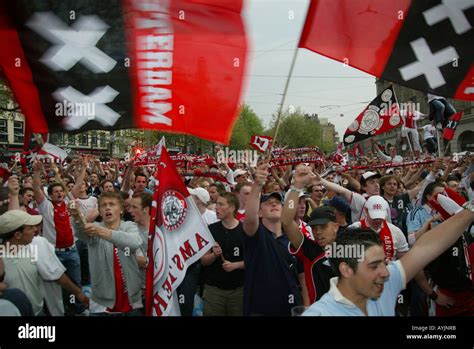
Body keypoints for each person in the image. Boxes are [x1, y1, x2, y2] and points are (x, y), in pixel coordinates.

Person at [303, 204, 474, 316]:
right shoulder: (321, 313)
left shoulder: (383, 283)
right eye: (374, 266)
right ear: (346, 270)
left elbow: (425, 248)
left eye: (384, 263)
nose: (386, 272)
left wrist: (470, 210)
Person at [0, 210, 89, 316]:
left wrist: (79, 294)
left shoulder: (36, 246)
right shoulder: (1, 260)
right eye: (30, 227)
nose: (36, 229)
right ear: (18, 235)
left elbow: (56, 274)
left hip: (39, 312)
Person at [242, 162, 303, 316]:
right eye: (268, 203)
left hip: (291, 308)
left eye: (277, 203)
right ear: (260, 212)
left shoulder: (293, 239)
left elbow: (303, 278)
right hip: (260, 310)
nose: (274, 204)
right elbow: (249, 218)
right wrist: (257, 185)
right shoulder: (256, 236)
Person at [70, 192, 143, 316]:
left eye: (112, 204)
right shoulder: (93, 228)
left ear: (121, 210)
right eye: (103, 205)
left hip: (132, 301)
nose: (107, 207)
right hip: (102, 305)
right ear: (100, 211)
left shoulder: (130, 226)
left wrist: (104, 232)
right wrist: (76, 217)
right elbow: (80, 231)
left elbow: (134, 242)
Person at [32, 160, 83, 315]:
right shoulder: (46, 206)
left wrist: (84, 167)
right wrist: (37, 172)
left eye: (62, 191)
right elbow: (36, 189)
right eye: (56, 192)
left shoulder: (69, 202)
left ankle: (77, 309)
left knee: (75, 283)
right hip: (54, 252)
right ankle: (61, 310)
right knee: (56, 285)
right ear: (50, 195)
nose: (60, 193)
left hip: (72, 251)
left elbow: (79, 184)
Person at [201, 192, 244, 316]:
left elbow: (254, 261)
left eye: (221, 204)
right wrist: (214, 255)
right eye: (216, 204)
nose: (216, 207)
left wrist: (235, 265)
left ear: (231, 208)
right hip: (214, 291)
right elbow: (203, 261)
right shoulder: (211, 229)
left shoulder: (244, 231)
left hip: (239, 292)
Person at [349, 196, 409, 261]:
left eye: (380, 217)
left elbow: (405, 259)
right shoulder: (353, 229)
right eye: (374, 217)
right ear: (366, 210)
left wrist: (392, 266)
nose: (378, 221)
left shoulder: (396, 231)